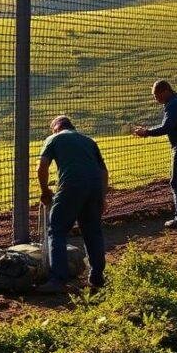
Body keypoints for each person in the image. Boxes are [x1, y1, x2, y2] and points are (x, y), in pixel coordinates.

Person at [35, 115, 108, 293]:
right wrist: (102, 197)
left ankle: (58, 280)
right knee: (92, 231)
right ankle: (97, 277)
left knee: (57, 230)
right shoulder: (88, 140)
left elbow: (42, 166)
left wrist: (45, 191)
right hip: (94, 187)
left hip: (71, 186)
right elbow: (104, 171)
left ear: (56, 128)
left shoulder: (53, 138)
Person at [131, 79, 177, 229]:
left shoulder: (172, 105)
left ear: (165, 91)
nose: (156, 100)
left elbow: (167, 126)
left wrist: (147, 132)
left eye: (157, 96)